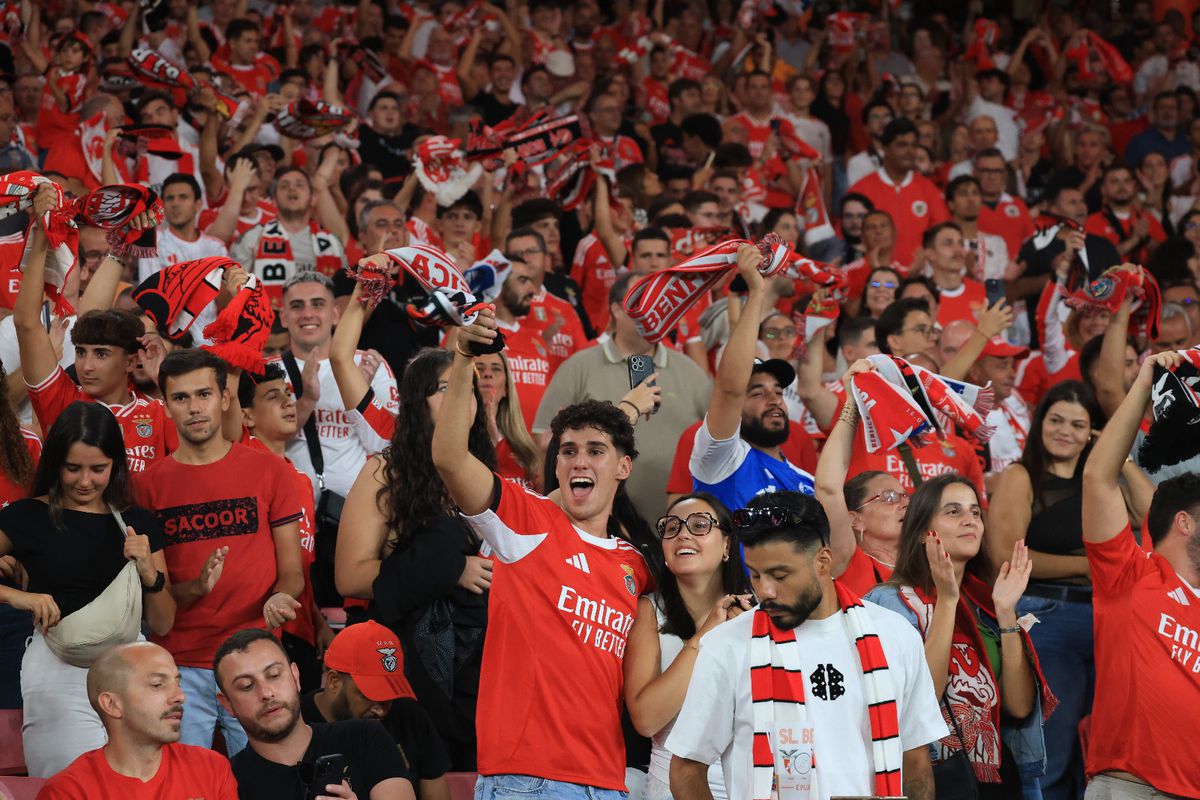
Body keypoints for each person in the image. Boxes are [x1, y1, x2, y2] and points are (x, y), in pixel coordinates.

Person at [431, 305, 654, 797]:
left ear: (624, 467)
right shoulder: (525, 522)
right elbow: (448, 458)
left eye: (596, 451)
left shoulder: (635, 565)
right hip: (527, 779)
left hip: (607, 782)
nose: (578, 459)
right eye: (568, 451)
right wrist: (464, 358)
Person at [666, 490, 946, 800]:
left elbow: (916, 761)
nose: (766, 590)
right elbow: (687, 768)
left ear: (823, 561)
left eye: (780, 574)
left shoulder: (895, 634)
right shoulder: (727, 645)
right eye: (756, 575)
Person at [988, 381, 1153, 800]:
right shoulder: (1021, 476)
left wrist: (1116, 455)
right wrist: (1091, 565)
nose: (1065, 431)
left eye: (1079, 425)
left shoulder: (1102, 481)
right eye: (1056, 419)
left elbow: (1154, 516)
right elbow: (1008, 556)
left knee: (1105, 747)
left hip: (1109, 617)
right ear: (1039, 421)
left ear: (1092, 432)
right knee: (1053, 749)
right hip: (1047, 614)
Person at [136, 349, 305, 755]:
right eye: (181, 398)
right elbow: (152, 595)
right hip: (179, 663)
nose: (194, 408)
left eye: (204, 394)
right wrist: (195, 587)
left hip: (254, 661)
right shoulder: (146, 487)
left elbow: (293, 571)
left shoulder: (271, 471)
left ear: (225, 397)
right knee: (186, 785)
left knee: (269, 781)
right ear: (165, 405)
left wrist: (283, 596)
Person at [337, 348, 495, 771]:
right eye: (445, 388)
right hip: (410, 658)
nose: (460, 396)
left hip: (481, 661)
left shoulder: (483, 470)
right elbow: (350, 576)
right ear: (416, 400)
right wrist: (450, 570)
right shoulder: (385, 472)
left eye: (467, 388)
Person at [0, 403, 173, 777]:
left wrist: (149, 572)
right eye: (72, 468)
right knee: (66, 783)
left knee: (140, 787)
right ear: (54, 464)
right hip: (56, 669)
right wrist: (18, 597)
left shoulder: (138, 523)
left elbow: (164, 620)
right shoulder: (25, 516)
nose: (85, 481)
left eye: (98, 469)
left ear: (116, 465)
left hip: (132, 669)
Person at [867, 474, 1056, 798]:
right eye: (953, 512)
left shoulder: (987, 602)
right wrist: (947, 600)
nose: (970, 520)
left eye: (975, 513)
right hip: (931, 774)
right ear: (924, 531)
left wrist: (1007, 611)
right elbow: (920, 699)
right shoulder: (887, 602)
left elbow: (1020, 707)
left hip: (996, 777)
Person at [1079, 351, 1200, 800]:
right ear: (1184, 522)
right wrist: (1146, 382)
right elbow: (1098, 479)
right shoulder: (1129, 574)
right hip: (1131, 787)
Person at [16, 189, 176, 476]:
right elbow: (27, 324)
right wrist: (43, 231)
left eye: (101, 354)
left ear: (131, 361)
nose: (85, 366)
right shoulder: (64, 400)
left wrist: (165, 380)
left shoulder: (158, 413)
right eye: (80, 352)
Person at [534, 273, 711, 522]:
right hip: (597, 530)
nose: (651, 311)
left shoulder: (692, 372)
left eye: (657, 303)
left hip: (679, 531)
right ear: (616, 309)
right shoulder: (578, 367)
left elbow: (719, 444)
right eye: (642, 302)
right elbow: (543, 445)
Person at [624, 493, 750, 800]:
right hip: (671, 788)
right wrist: (703, 638)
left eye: (699, 525)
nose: (683, 534)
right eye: (671, 528)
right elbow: (645, 719)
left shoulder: (755, 611)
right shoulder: (649, 610)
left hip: (748, 782)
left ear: (727, 546)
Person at [215, 628, 416, 800]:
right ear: (227, 704)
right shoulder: (227, 781)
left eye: (274, 675)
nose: (266, 693)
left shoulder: (364, 737)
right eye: (246, 686)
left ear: (295, 676)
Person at [689, 244, 815, 512]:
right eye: (757, 392)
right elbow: (731, 389)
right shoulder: (721, 458)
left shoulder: (808, 482)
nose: (774, 400)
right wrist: (757, 292)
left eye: (778, 391)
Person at [36, 642, 238, 799]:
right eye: (158, 684)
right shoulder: (68, 792)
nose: (180, 696)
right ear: (112, 704)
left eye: (178, 682)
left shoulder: (212, 768)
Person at [301, 621, 452, 800]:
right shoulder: (296, 722)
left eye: (390, 695)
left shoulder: (410, 717)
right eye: (369, 695)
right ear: (334, 681)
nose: (381, 711)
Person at [816, 368, 909, 595]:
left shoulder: (928, 565)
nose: (906, 504)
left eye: (906, 496)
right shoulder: (849, 562)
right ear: (855, 520)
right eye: (889, 498)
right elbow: (828, 489)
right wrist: (852, 404)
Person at [847, 118, 949, 270]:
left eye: (913, 145)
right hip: (875, 281)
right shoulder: (861, 189)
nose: (909, 151)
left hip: (918, 278)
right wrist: (863, 270)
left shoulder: (928, 189)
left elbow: (942, 233)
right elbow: (851, 240)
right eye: (902, 145)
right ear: (885, 149)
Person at [474, 352, 542, 488]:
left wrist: (494, 433)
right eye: (479, 369)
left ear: (506, 388)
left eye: (496, 369)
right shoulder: (456, 443)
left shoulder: (525, 450)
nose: (487, 374)